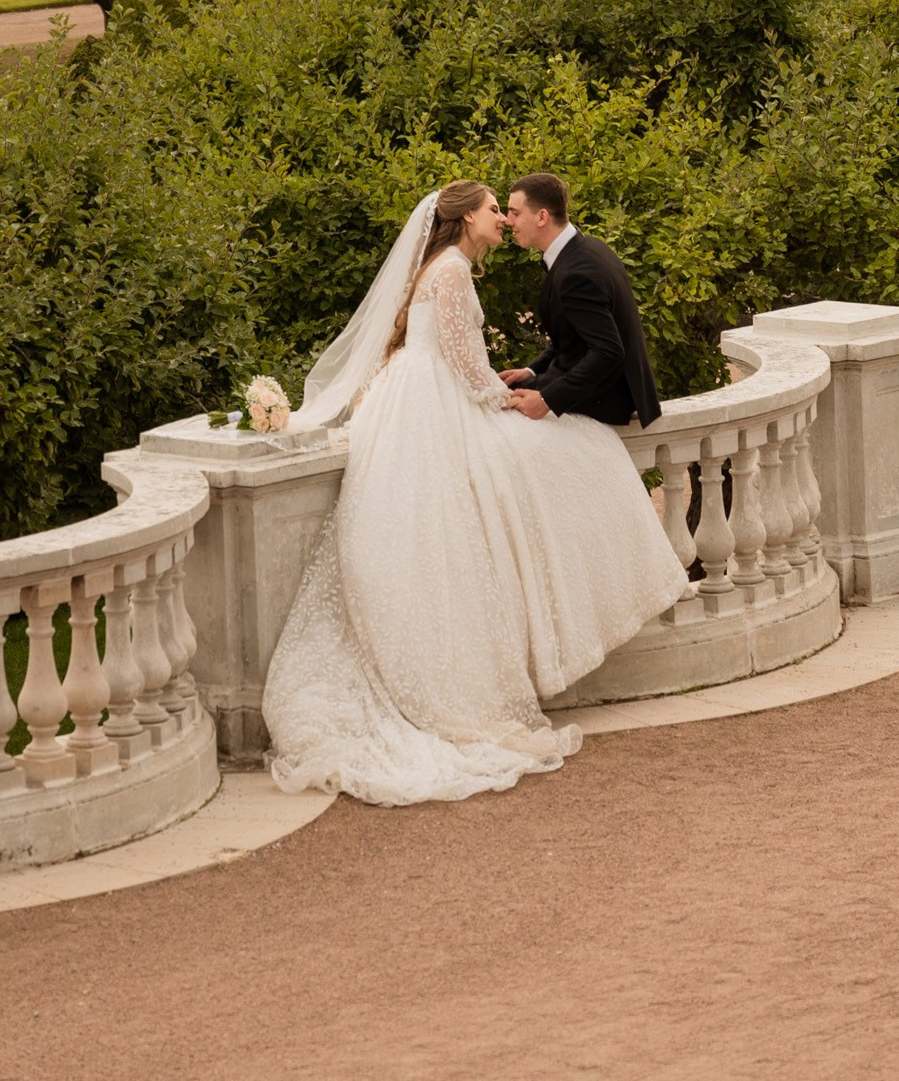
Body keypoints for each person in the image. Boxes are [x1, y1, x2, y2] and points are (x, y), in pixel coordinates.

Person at [262, 179, 682, 805]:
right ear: (465, 220)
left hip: (413, 400)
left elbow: (463, 358)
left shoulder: (446, 265)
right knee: (569, 463)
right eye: (494, 211)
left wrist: (524, 382)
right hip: (437, 402)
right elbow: (464, 366)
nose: (502, 221)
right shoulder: (455, 270)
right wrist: (508, 400)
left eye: (509, 212)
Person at [499, 171, 662, 426]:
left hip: (605, 398)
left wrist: (546, 400)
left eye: (515, 213)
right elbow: (573, 339)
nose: (508, 221)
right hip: (587, 380)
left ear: (542, 217)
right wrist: (532, 371)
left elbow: (608, 352)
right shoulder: (587, 247)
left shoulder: (576, 272)